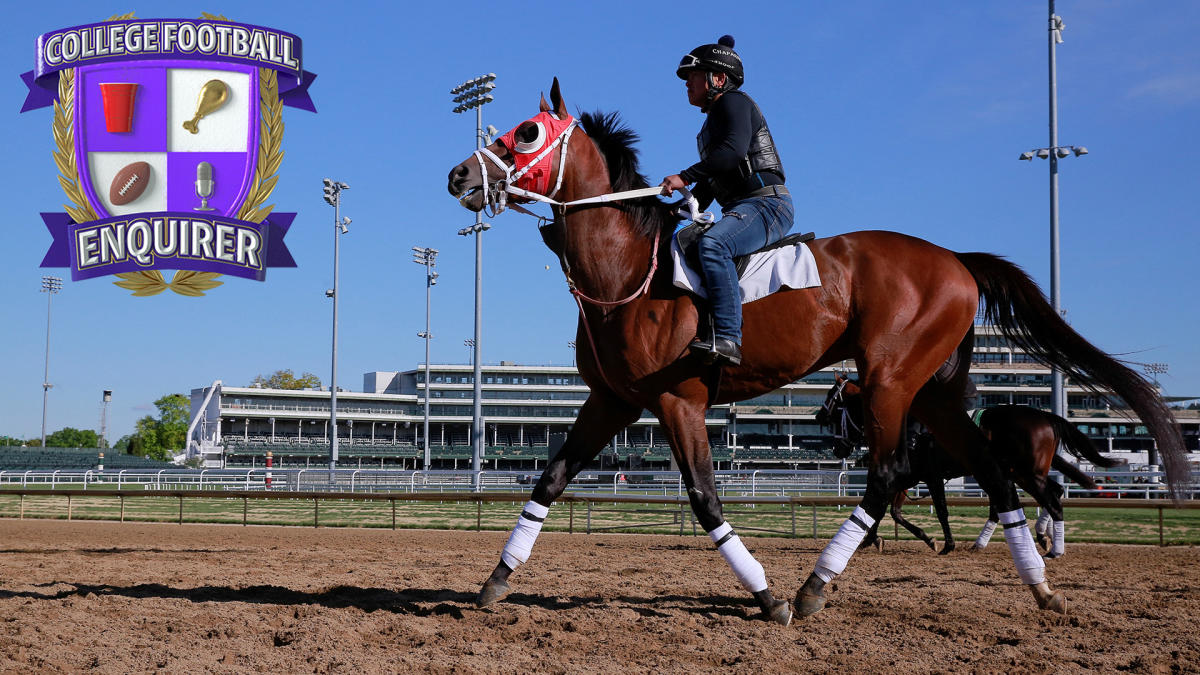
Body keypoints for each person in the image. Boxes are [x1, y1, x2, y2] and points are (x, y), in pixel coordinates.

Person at [661, 35, 794, 366]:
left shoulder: (734, 102)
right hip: (744, 209)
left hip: (767, 206)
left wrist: (684, 176)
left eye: (694, 75)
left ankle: (729, 339)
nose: (687, 83)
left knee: (713, 246)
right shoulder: (709, 125)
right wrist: (670, 212)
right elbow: (708, 187)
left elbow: (731, 153)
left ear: (718, 79)